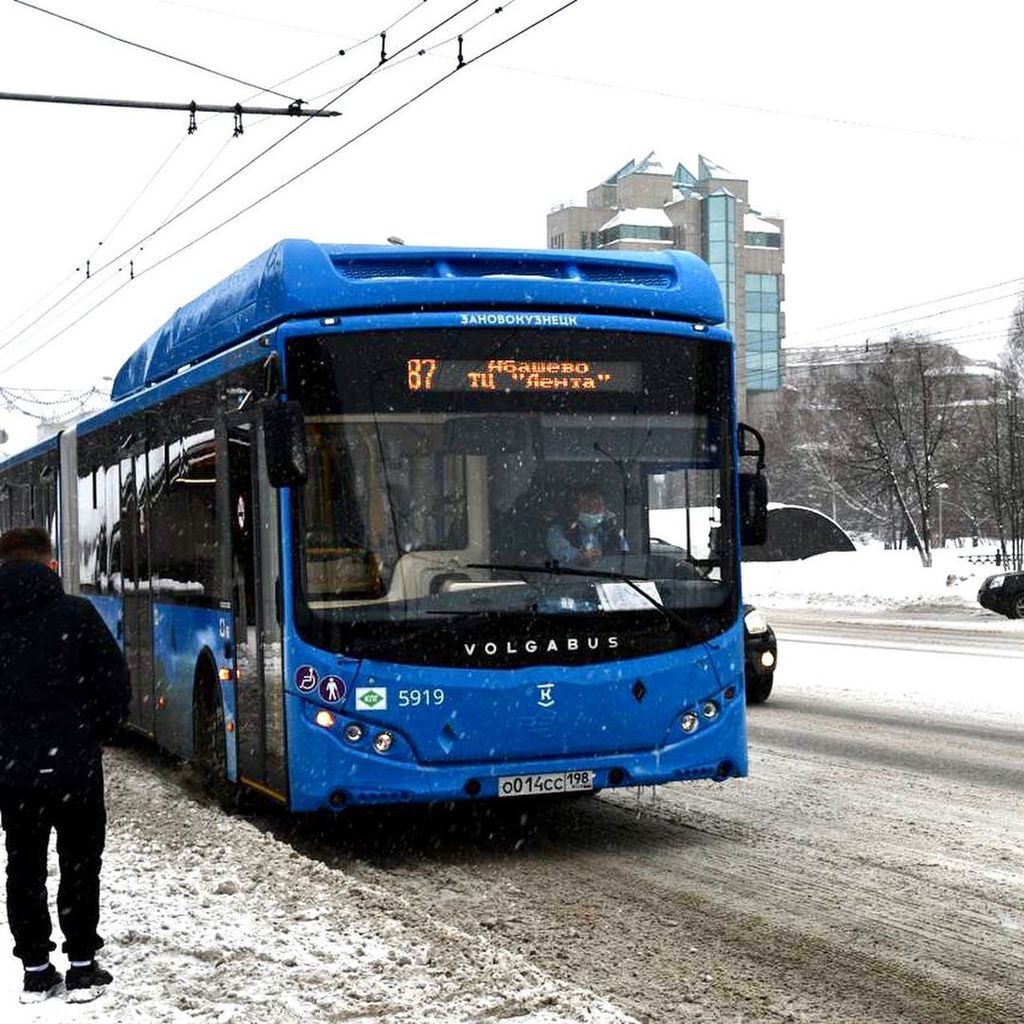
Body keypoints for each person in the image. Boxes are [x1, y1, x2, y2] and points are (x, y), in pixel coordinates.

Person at [0, 527, 129, 1004]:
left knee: (24, 866)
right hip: (75, 768)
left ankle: (35, 971)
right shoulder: (77, 614)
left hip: (13, 773)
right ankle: (81, 967)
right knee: (79, 864)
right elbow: (114, 686)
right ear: (49, 565)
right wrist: (94, 735)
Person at [546, 488, 628, 567]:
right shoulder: (558, 531)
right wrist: (580, 556)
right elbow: (562, 554)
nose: (594, 509)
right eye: (589, 505)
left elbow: (626, 559)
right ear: (576, 507)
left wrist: (604, 555)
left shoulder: (613, 532)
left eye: (599, 505)